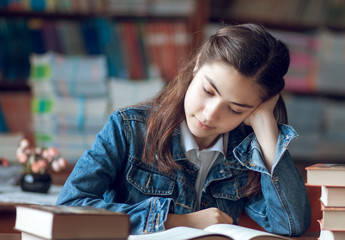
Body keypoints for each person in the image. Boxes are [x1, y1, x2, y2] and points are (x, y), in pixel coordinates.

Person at [56, 23, 311, 236]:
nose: (210, 114)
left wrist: (266, 125)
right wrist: (178, 222)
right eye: (208, 91)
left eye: (235, 109)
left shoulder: (244, 152)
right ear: (198, 64)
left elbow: (290, 224)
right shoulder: (128, 128)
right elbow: (69, 207)